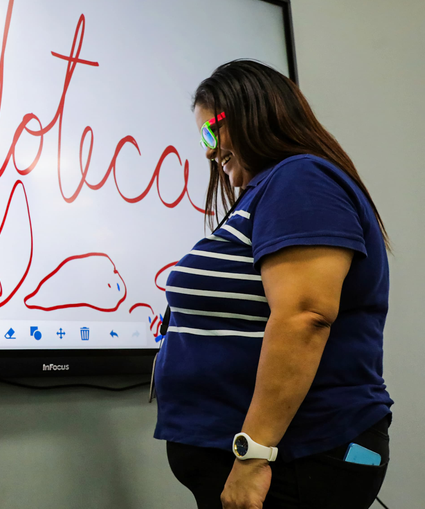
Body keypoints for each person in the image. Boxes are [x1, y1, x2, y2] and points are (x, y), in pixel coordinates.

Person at [153, 60, 392, 509]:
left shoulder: (300, 179)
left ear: (252, 110)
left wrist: (252, 456)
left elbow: (304, 316)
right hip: (278, 461)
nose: (207, 151)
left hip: (296, 460)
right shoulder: (274, 189)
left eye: (212, 132)